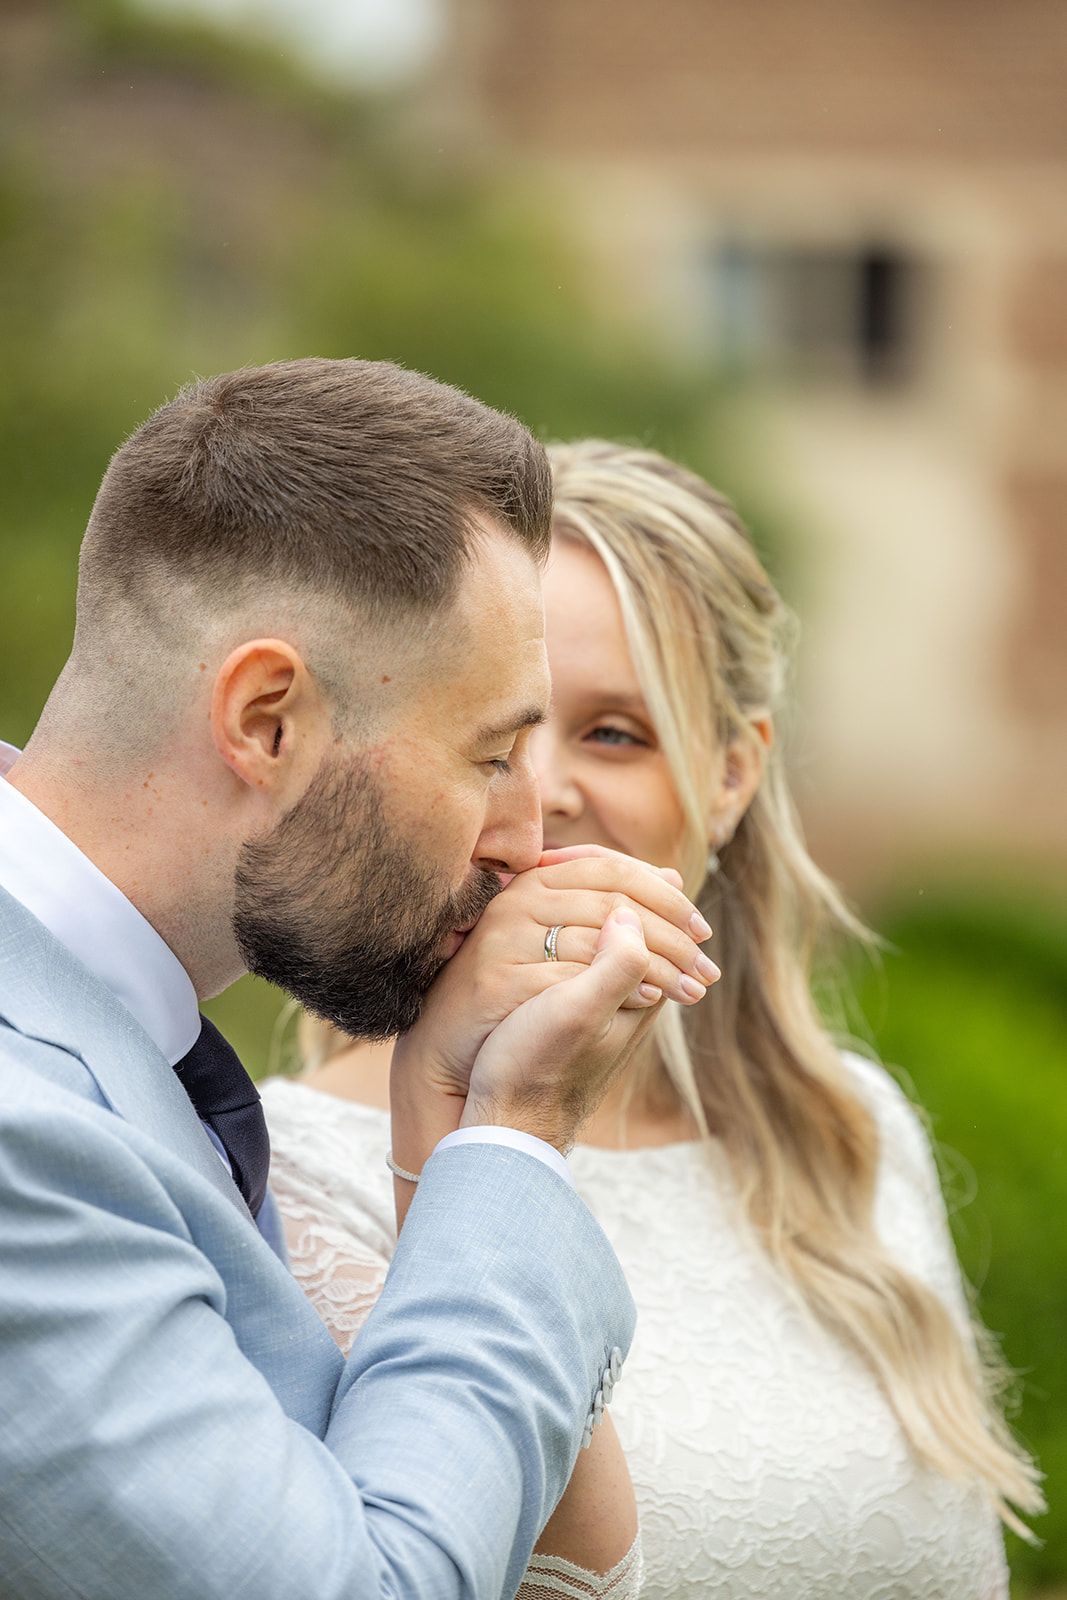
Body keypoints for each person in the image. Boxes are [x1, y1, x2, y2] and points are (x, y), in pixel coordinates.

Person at [263, 439, 1044, 1599]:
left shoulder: (850, 1132)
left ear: (730, 774)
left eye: (613, 732)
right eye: (500, 731)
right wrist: (481, 1111)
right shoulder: (291, 1171)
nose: (544, 794)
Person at [0, 365, 724, 1600]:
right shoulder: (28, 1131)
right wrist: (511, 1138)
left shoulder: (114, 1046)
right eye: (492, 752)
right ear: (269, 720)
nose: (525, 837)